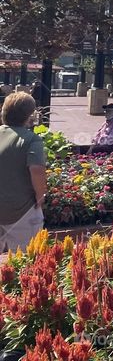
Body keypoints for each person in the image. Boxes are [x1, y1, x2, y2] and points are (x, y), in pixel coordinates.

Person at [0, 92, 46, 253]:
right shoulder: (31, 139)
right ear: (29, 115)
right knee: (28, 259)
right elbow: (37, 170)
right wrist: (41, 196)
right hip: (22, 210)